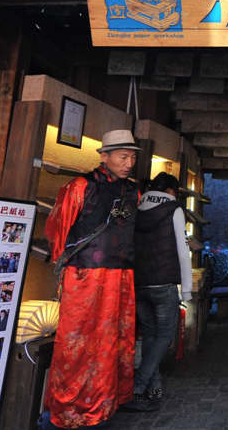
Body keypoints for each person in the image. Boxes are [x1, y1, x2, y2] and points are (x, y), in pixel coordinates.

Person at [43, 129, 140, 429]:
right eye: (123, 157)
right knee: (78, 341)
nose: (129, 163)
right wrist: (71, 271)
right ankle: (71, 406)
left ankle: (105, 401)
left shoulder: (133, 191)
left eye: (132, 157)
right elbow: (57, 232)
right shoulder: (80, 186)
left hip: (121, 276)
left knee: (114, 342)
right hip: (85, 276)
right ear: (104, 156)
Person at [127, 172, 192, 411]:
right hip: (164, 284)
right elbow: (183, 252)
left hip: (139, 282)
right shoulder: (174, 209)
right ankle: (137, 387)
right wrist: (187, 290)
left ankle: (154, 390)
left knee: (152, 337)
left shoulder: (136, 206)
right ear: (171, 190)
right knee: (165, 337)